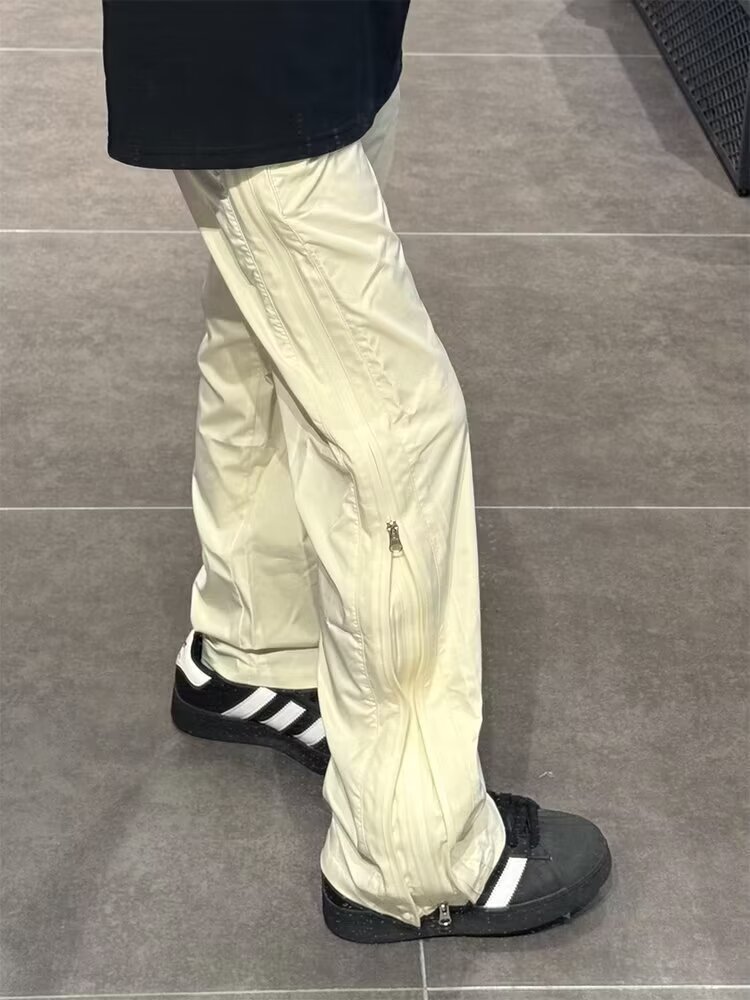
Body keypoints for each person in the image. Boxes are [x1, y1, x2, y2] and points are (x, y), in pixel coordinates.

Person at [101, 0, 612, 943]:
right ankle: (416, 857)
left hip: (326, 38)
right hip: (254, 42)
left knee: (268, 342)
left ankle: (254, 648)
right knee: (397, 425)